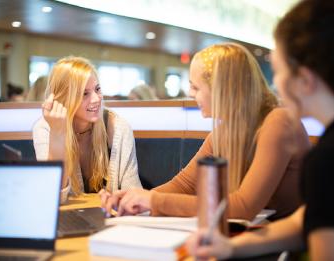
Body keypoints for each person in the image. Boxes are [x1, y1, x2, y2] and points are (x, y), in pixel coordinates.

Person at [186, 0, 334, 260]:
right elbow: (305, 220)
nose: (276, 84)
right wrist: (232, 247)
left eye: (279, 71)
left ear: (305, 80)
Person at [100, 42, 310, 220]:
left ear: (222, 89)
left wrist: (152, 200)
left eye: (196, 87)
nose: (190, 94)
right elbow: (184, 184)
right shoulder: (224, 131)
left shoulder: (278, 122)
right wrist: (133, 198)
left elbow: (244, 207)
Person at [33, 56, 142, 204]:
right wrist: (58, 134)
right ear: (65, 98)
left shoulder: (119, 128)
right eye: (84, 94)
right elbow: (52, 197)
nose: (96, 99)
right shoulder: (45, 128)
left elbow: (134, 194)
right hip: (67, 220)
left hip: (113, 219)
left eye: (97, 89)